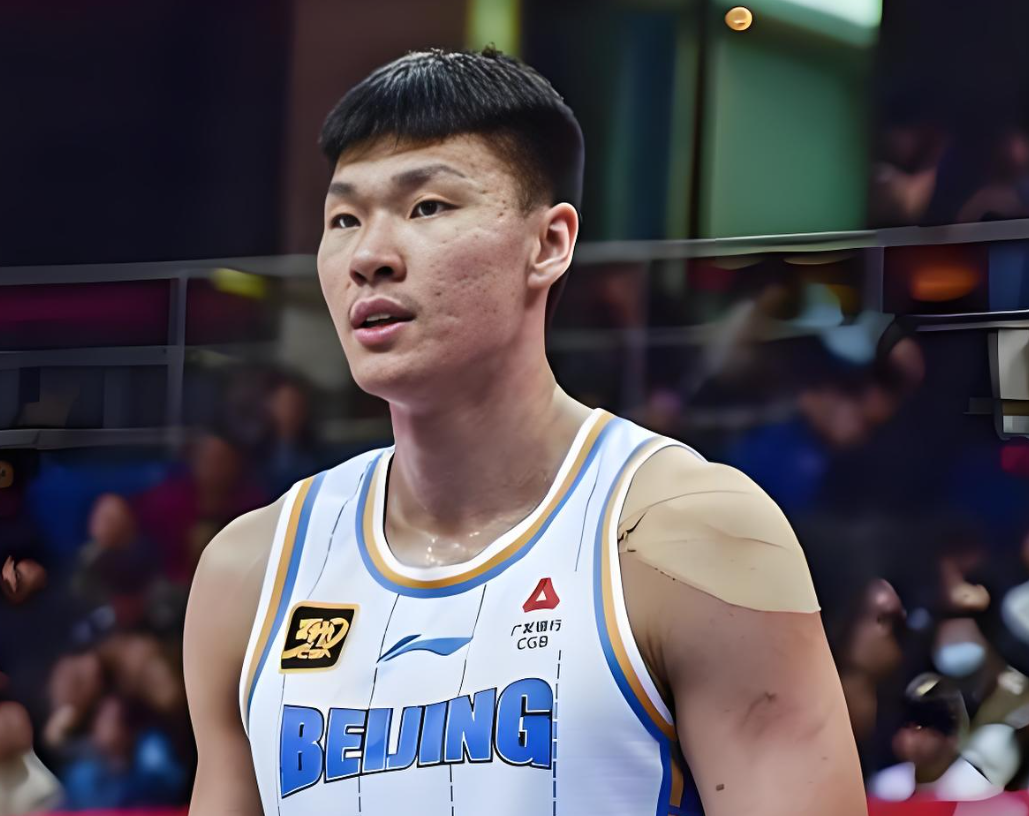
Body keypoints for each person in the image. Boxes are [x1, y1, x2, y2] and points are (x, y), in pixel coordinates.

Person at [184, 46, 865, 815]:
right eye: (344, 218)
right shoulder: (250, 573)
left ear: (549, 244)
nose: (369, 256)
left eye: (427, 207)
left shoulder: (692, 536)